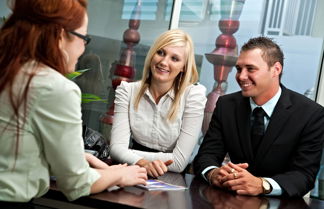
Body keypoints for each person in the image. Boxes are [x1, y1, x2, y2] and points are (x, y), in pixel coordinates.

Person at [0, 0, 147, 203]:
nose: (83, 48)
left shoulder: (9, 70)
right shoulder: (54, 87)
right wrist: (120, 174)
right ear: (60, 35)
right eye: (84, 38)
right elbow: (77, 184)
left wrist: (79, 157)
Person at [193, 36, 324, 197]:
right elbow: (206, 156)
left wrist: (262, 185)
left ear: (276, 69)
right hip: (230, 201)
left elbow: (304, 175)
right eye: (239, 69)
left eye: (250, 69)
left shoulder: (310, 114)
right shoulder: (226, 105)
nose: (241, 76)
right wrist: (214, 173)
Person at [110, 29, 207, 177]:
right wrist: (142, 163)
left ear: (184, 67)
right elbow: (116, 149)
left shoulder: (193, 95)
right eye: (160, 53)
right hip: (134, 171)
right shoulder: (127, 91)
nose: (164, 62)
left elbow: (179, 162)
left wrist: (127, 153)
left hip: (172, 180)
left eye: (174, 59)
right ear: (152, 55)